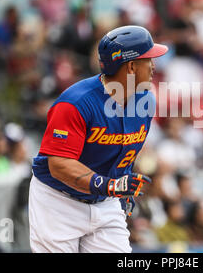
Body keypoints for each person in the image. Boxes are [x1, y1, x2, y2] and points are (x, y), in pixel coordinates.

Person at [28, 25, 168, 253]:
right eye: (148, 59)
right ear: (131, 67)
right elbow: (58, 165)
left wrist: (121, 187)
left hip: (106, 201)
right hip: (58, 200)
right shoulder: (75, 103)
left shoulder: (145, 101)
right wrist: (110, 185)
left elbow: (126, 152)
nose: (153, 66)